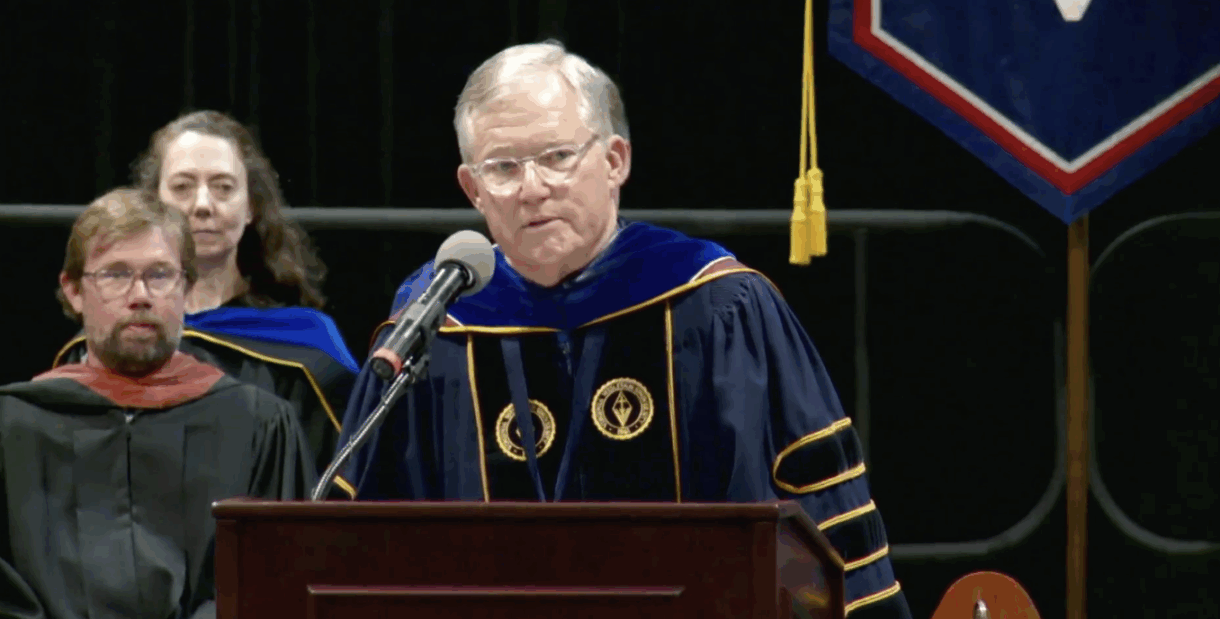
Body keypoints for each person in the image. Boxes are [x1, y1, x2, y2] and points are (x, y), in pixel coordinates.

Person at [336, 41, 911, 617]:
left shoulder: (716, 305)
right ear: (473, 188)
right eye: (503, 167)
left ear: (615, 162)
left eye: (557, 156)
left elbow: (826, 511)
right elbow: (362, 539)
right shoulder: (434, 326)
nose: (532, 188)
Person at [1, 188, 315, 619]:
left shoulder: (257, 424)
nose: (141, 295)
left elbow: (278, 576)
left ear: (187, 289)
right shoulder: (14, 426)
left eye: (160, 274)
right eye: (115, 274)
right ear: (74, 291)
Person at [52, 111, 359, 493]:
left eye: (223, 187)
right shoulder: (103, 343)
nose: (202, 205)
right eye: (182, 187)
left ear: (250, 208)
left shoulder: (306, 347)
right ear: (154, 205)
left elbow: (345, 480)